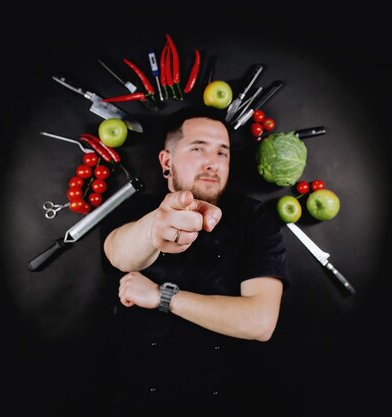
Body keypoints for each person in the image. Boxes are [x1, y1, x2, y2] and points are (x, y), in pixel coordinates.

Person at [99, 105, 289, 416]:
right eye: (198, 148)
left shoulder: (255, 219)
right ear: (166, 160)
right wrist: (154, 226)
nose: (213, 163)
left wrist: (162, 296)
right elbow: (118, 254)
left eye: (222, 153)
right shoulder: (135, 210)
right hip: (140, 403)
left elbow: (260, 322)